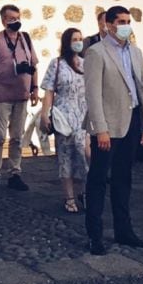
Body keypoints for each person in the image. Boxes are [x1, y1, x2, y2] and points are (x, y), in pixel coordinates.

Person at [83, 5, 143, 254]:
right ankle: (95, 235)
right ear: (108, 24)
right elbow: (93, 94)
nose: (126, 25)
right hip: (108, 124)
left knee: (123, 178)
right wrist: (100, 129)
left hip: (132, 121)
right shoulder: (96, 52)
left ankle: (124, 230)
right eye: (121, 21)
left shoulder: (135, 52)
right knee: (98, 179)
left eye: (128, 20)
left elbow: (142, 88)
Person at [0, 4, 39, 192]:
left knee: (17, 136)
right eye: (11, 18)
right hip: (1, 96)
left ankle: (15, 171)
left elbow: (33, 65)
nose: (15, 21)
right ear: (3, 20)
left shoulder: (26, 39)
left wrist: (35, 88)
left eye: (17, 17)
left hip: (21, 95)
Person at [40, 28, 89, 214]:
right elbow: (49, 91)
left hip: (83, 114)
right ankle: (69, 197)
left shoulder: (86, 64)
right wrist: (45, 113)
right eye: (74, 39)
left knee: (86, 154)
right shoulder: (57, 64)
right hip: (65, 115)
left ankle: (84, 191)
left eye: (80, 38)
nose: (78, 42)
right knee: (66, 156)